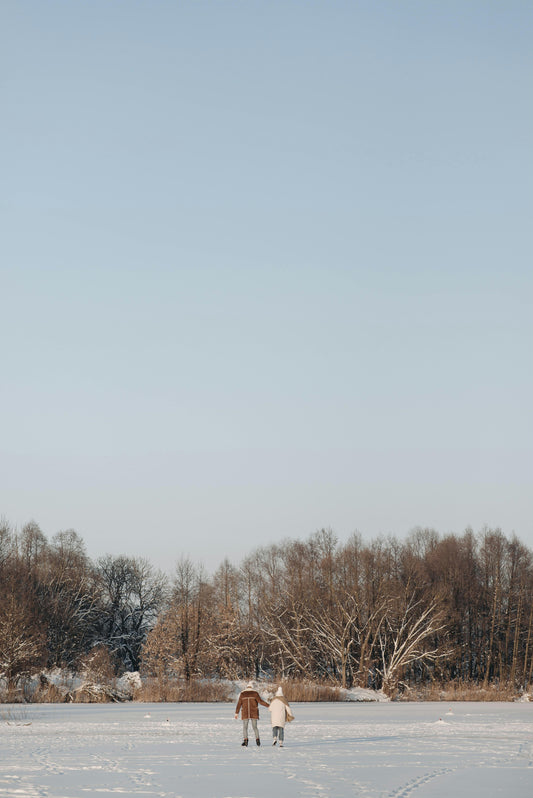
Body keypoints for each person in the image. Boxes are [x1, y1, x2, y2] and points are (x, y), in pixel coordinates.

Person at [234, 681, 270, 746]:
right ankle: (257, 739)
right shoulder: (255, 693)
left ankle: (245, 740)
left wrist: (236, 713)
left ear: (247, 687)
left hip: (245, 712)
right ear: (252, 687)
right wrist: (269, 706)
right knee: (255, 727)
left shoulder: (242, 694)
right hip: (254, 712)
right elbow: (260, 701)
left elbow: (239, 704)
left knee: (245, 727)